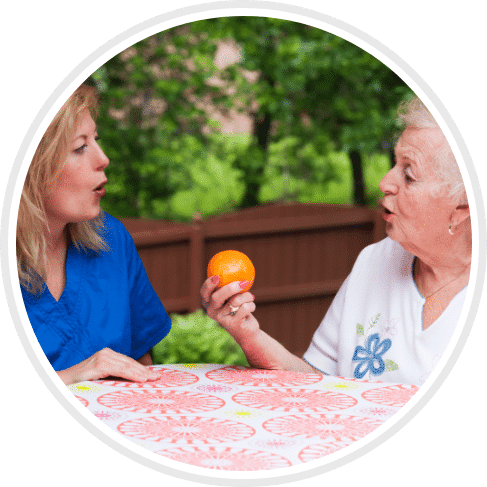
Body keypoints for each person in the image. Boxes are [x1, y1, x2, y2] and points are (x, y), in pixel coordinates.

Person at [201, 96, 471, 386]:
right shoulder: (374, 261)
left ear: (461, 208)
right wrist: (247, 332)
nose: (385, 183)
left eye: (409, 175)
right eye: (395, 163)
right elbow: (319, 382)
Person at [18, 84, 171, 385]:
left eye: (95, 140)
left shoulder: (112, 238)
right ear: (28, 167)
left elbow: (141, 365)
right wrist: (69, 378)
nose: (103, 159)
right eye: (80, 147)